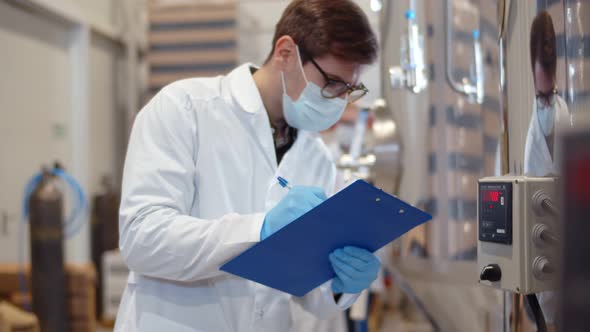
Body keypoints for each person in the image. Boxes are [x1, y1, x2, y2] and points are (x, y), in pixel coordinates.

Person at [114, 1, 381, 331]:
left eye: (350, 89)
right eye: (331, 83)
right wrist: (261, 230)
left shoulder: (317, 160)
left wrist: (341, 283)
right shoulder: (183, 109)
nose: (339, 101)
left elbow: (308, 291)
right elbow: (143, 240)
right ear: (285, 53)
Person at [524, 10, 570, 326]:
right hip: (542, 248)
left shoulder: (557, 113)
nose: (547, 52)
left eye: (550, 48)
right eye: (545, 48)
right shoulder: (544, 114)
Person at [524, 11, 570, 177]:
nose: (546, 103)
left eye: (550, 95)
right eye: (541, 96)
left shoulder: (564, 112)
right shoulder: (532, 141)